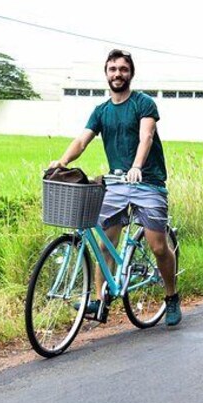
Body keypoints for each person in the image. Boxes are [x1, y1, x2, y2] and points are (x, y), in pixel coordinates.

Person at [49, 49, 181, 326]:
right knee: (104, 244)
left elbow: (147, 136)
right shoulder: (101, 111)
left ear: (131, 73)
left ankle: (171, 296)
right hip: (116, 183)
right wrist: (61, 162)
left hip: (148, 183)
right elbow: (82, 141)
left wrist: (137, 166)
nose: (117, 74)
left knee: (158, 247)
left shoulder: (143, 103)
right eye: (112, 69)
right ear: (106, 73)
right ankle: (99, 301)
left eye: (123, 69)